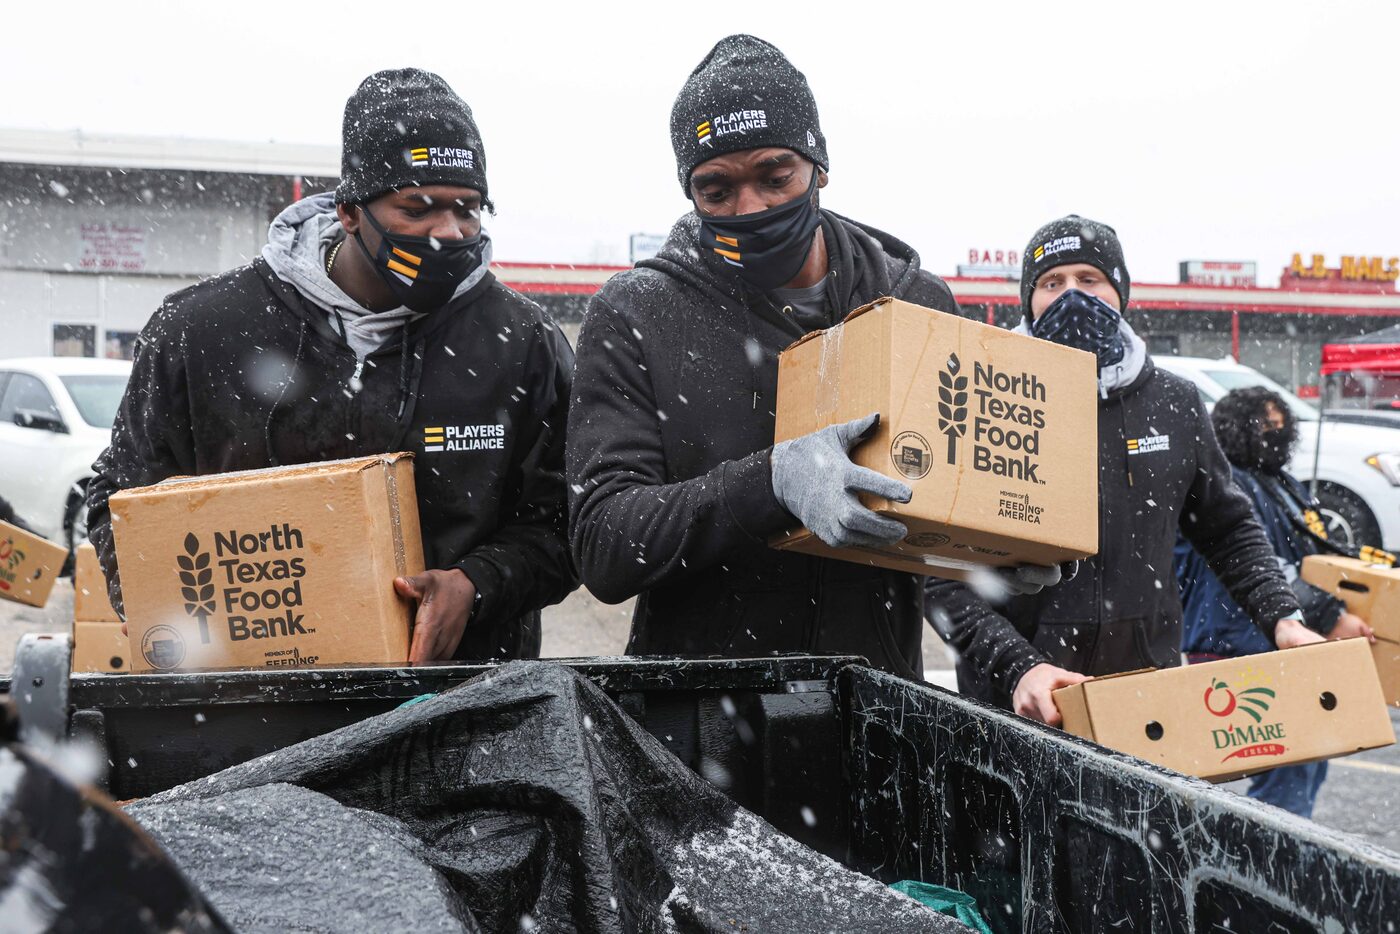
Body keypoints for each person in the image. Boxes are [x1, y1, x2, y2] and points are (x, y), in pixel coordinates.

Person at [566, 35, 1058, 679]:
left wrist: (997, 545)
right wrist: (769, 482)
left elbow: (942, 499)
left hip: (876, 716)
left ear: (819, 167)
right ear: (690, 193)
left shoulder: (913, 302)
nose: (752, 209)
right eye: (717, 191)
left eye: (776, 179)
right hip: (694, 721)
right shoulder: (637, 313)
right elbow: (604, 544)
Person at [87, 68, 576, 662]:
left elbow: (567, 519)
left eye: (467, 209)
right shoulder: (202, 331)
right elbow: (120, 500)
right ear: (348, 210)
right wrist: (196, 617)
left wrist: (476, 583)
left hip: (467, 707)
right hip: (260, 712)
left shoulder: (520, 341)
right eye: (417, 208)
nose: (448, 233)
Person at [927, 215, 1324, 723]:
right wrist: (1019, 666)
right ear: (1027, 300)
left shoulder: (1175, 402)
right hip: (1016, 703)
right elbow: (938, 571)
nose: (1071, 295)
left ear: (1121, 293)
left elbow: (1227, 528)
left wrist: (1281, 616)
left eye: (1089, 279)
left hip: (1142, 696)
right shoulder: (984, 398)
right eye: (1051, 283)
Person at [1176, 387, 1378, 816]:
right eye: (1266, 426)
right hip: (1235, 645)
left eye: (1281, 425)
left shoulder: (1274, 481)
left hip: (1273, 642)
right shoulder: (1228, 483)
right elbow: (1268, 563)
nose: (1277, 435)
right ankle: (1271, 867)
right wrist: (1330, 615)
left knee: (1304, 762)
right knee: (1286, 770)